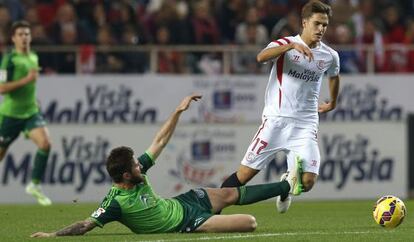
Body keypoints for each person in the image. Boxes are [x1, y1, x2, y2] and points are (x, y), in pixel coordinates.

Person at [30, 94, 303, 237]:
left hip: (183, 202)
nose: (142, 166)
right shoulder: (115, 203)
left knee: (229, 193)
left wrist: (177, 112)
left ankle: (285, 185)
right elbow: (85, 225)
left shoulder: (137, 173)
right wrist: (53, 235)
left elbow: (159, 141)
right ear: (126, 174)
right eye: (137, 166)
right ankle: (283, 186)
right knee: (250, 224)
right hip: (187, 222)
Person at [220, 0, 340, 214]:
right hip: (275, 121)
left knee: (308, 182)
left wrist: (333, 101)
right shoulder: (285, 43)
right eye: (317, 23)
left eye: (325, 25)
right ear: (304, 22)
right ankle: (212, 209)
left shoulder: (329, 55)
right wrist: (291, 46)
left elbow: (334, 76)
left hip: (305, 124)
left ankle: (287, 184)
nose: (321, 29)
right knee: (244, 176)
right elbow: (260, 57)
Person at [0, 20, 52, 206]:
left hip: (30, 112)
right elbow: (2, 88)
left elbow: (30, 86)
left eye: (27, 34)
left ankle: (34, 185)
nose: (24, 37)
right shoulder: (9, 59)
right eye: (20, 34)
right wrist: (26, 79)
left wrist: (33, 100)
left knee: (45, 144)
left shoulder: (34, 57)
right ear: (13, 38)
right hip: (10, 116)